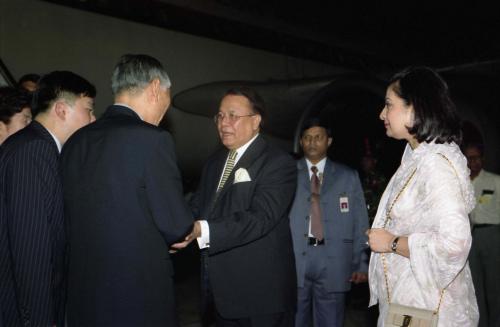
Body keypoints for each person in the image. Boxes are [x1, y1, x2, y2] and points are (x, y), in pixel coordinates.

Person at [60, 54, 193, 327]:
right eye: (167, 100)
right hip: (137, 299)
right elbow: (176, 225)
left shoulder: (75, 141)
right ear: (156, 88)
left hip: (83, 297)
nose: (165, 112)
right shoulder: (153, 140)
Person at [172, 87, 297, 327]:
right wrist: (175, 228)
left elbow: (260, 218)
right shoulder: (214, 161)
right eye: (219, 116)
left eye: (232, 115)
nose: (223, 123)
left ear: (255, 121)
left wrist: (201, 231)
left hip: (259, 298)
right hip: (216, 294)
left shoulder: (277, 163)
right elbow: (198, 206)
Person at [366, 66, 479, 326]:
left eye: (388, 105)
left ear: (414, 108)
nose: (382, 113)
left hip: (429, 311)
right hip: (411, 302)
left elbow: (455, 244)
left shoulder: (436, 164)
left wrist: (392, 242)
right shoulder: (417, 158)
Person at [0, 71, 96, 326]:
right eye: (88, 109)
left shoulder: (38, 147)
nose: (93, 118)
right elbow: (31, 249)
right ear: (62, 110)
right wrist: (41, 319)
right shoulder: (34, 150)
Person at [289, 118, 369, 327]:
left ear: (329, 141)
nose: (312, 142)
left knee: (331, 320)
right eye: (307, 138)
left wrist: (361, 262)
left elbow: (360, 220)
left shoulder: (348, 176)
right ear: (301, 142)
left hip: (334, 260)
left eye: (318, 137)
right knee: (295, 319)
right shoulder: (286, 174)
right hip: (296, 258)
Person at [462, 142, 500, 327]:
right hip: (471, 237)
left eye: (476, 157)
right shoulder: (462, 183)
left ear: (482, 158)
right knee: (475, 287)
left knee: (494, 286)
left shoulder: (494, 181)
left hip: (492, 235)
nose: (473, 161)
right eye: (469, 158)